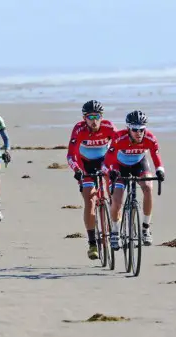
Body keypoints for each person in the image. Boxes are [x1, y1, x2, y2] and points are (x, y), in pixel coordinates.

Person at [104, 110, 165, 249]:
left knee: (148, 188)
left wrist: (160, 170)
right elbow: (109, 159)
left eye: (142, 129)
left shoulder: (150, 138)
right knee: (117, 200)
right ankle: (114, 231)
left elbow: (156, 158)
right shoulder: (119, 138)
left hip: (139, 164)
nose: (139, 133)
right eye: (135, 129)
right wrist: (112, 171)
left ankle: (145, 228)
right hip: (120, 166)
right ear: (128, 129)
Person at [66, 99, 118, 260]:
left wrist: (115, 169)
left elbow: (119, 147)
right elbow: (70, 155)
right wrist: (77, 170)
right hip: (85, 164)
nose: (94, 120)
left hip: (104, 161)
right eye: (90, 117)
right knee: (90, 200)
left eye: (97, 116)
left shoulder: (109, 127)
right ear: (84, 118)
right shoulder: (79, 129)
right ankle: (92, 243)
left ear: (101, 117)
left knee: (115, 196)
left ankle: (115, 230)